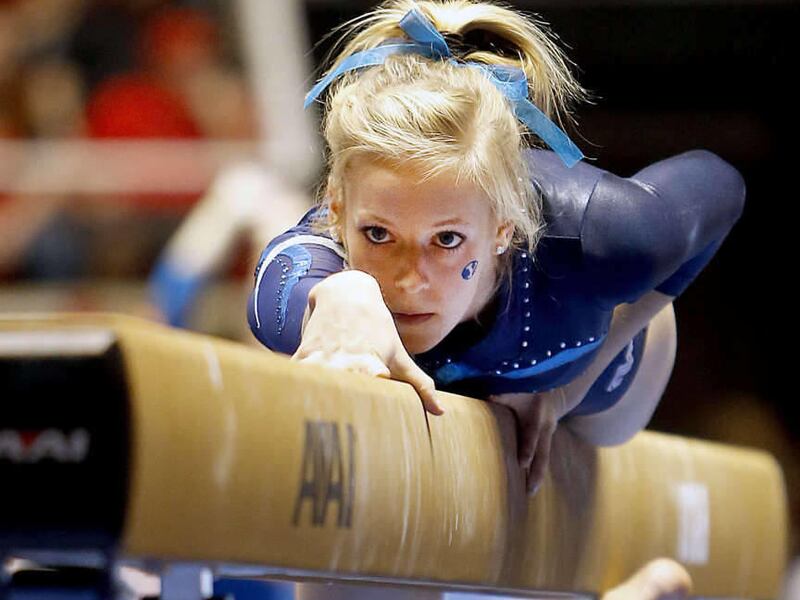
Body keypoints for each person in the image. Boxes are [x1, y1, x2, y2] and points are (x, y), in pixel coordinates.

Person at [248, 0, 745, 495]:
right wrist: (340, 296)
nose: (409, 279)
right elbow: (277, 288)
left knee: (589, 462)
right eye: (378, 235)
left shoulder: (605, 234)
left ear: (504, 228)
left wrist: (565, 391)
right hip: (466, 380)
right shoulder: (321, 267)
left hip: (601, 375)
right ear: (335, 209)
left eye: (446, 240)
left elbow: (723, 188)